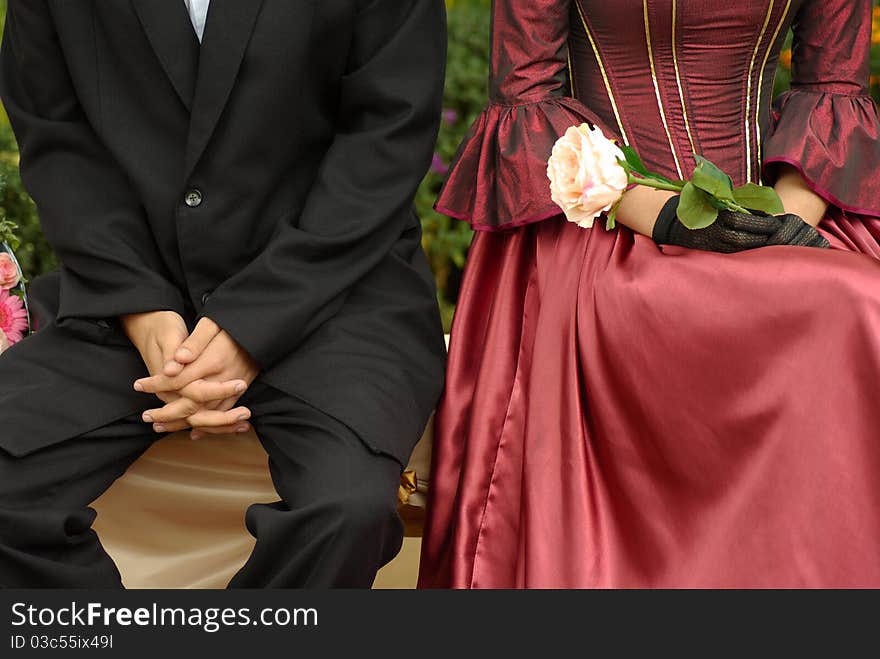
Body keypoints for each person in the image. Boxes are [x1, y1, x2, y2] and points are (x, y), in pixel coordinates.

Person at [419, 0, 880, 588]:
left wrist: (782, 229)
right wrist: (668, 218)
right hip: (605, 221)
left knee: (862, 308)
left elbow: (831, 89)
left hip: (779, 218)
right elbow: (526, 93)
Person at [0, 0, 447, 588]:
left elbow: (385, 136)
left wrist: (251, 322)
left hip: (338, 290)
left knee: (345, 511)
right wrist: (140, 305)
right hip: (132, 293)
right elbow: (57, 137)